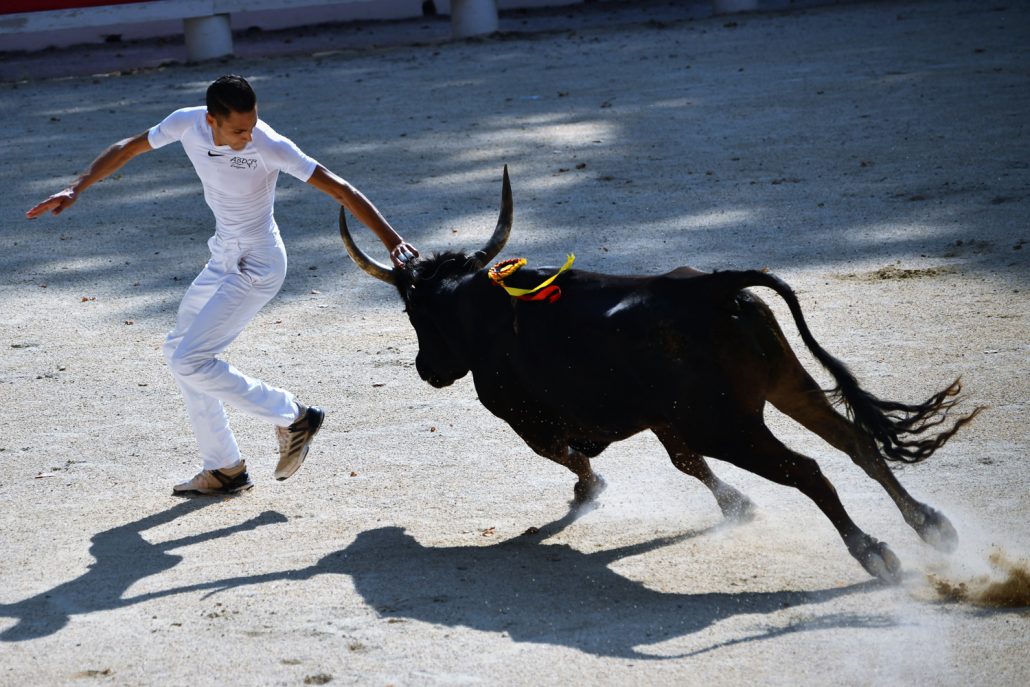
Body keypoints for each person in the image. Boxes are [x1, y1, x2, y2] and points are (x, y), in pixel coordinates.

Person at [26, 74, 418, 496]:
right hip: (223, 258)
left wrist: (392, 241)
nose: (248, 137)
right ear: (211, 120)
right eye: (238, 130)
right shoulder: (185, 123)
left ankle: (294, 416)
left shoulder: (269, 144)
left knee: (190, 360)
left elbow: (340, 188)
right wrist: (77, 186)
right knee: (180, 351)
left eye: (252, 125)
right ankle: (224, 467)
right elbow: (129, 147)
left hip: (258, 264)